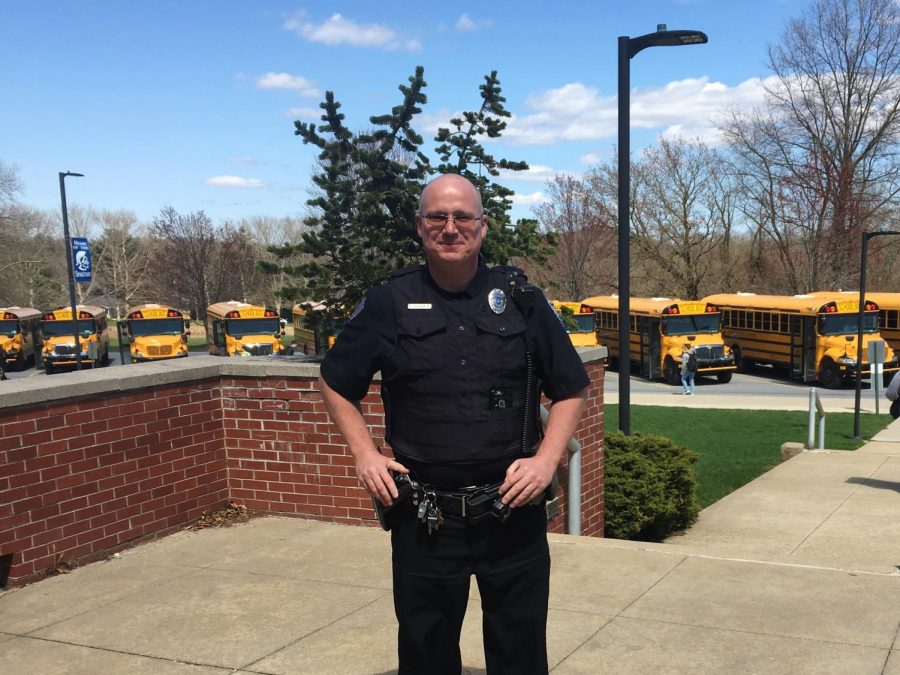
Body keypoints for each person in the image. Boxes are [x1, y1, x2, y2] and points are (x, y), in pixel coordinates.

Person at [319, 173, 589, 674]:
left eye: (462, 216)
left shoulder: (522, 299)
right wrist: (364, 453)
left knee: (520, 650)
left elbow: (572, 388)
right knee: (425, 651)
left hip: (512, 511)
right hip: (426, 517)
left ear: (482, 226)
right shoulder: (388, 303)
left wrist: (547, 459)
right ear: (419, 226)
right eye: (437, 217)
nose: (450, 227)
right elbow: (336, 381)